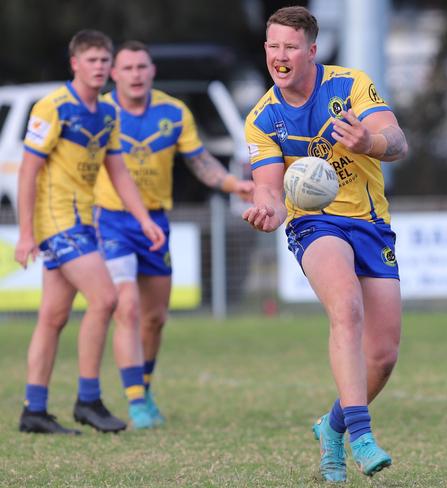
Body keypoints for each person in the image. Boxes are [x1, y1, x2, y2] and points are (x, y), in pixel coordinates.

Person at [242, 6, 408, 482]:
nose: (280, 55)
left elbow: (396, 139)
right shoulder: (262, 117)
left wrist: (368, 143)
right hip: (313, 224)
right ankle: (361, 436)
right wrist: (268, 210)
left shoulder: (350, 84)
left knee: (384, 355)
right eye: (273, 46)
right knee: (346, 310)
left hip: (371, 222)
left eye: (290, 46)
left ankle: (332, 427)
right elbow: (269, 190)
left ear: (311, 51)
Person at [93, 41, 254, 429]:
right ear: (114, 74)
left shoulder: (173, 111)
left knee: (154, 318)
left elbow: (198, 161)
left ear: (152, 72)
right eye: (127, 68)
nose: (135, 74)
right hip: (111, 221)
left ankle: (143, 389)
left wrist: (233, 184)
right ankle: (134, 402)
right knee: (126, 306)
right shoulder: (100, 113)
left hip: (156, 223)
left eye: (141, 67)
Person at [15, 30, 166, 435]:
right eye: (93, 60)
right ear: (75, 65)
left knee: (53, 316)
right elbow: (27, 170)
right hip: (57, 220)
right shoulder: (54, 107)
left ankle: (34, 409)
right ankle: (88, 399)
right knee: (106, 298)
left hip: (83, 220)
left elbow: (117, 171)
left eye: (104, 60)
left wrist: (144, 219)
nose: (100, 67)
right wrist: (26, 233)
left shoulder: (107, 113)